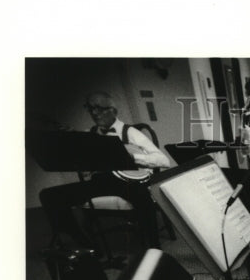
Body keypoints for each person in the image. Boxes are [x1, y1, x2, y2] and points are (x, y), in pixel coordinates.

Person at [39, 92, 170, 251]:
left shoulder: (130, 132)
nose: (94, 113)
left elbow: (164, 160)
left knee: (142, 197)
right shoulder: (89, 134)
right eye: (91, 109)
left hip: (128, 182)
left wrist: (131, 156)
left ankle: (155, 248)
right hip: (100, 182)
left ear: (113, 110)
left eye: (99, 109)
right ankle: (85, 244)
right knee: (49, 195)